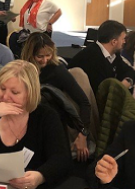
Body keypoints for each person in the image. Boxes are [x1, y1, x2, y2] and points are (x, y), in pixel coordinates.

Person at [0, 61, 72, 189]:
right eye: (2, 89)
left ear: (29, 94)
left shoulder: (46, 117)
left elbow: (62, 160)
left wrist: (40, 176)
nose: (5, 97)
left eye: (15, 92)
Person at [21, 32, 93, 161]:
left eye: (48, 55)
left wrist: (83, 135)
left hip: (53, 124)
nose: (44, 60)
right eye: (40, 56)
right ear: (30, 55)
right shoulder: (22, 69)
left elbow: (84, 102)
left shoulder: (57, 70)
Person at [68, 20, 135, 94]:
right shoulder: (90, 58)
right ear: (114, 42)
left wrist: (127, 81)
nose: (124, 42)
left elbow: (130, 71)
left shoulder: (114, 55)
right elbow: (101, 92)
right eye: (123, 39)